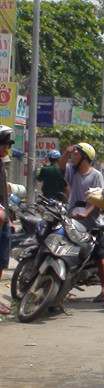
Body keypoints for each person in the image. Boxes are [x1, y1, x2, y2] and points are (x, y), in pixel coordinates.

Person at [57, 142, 104, 303]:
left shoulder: (96, 175)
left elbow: (100, 198)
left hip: (91, 222)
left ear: (85, 158)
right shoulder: (72, 172)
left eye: (77, 154)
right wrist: (67, 152)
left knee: (100, 257)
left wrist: (86, 212)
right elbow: (60, 166)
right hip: (72, 220)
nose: (74, 157)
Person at [0, 125, 14, 314]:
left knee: (2, 261)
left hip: (3, 220)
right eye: (3, 144)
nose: (5, 148)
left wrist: (9, 219)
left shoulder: (2, 165)